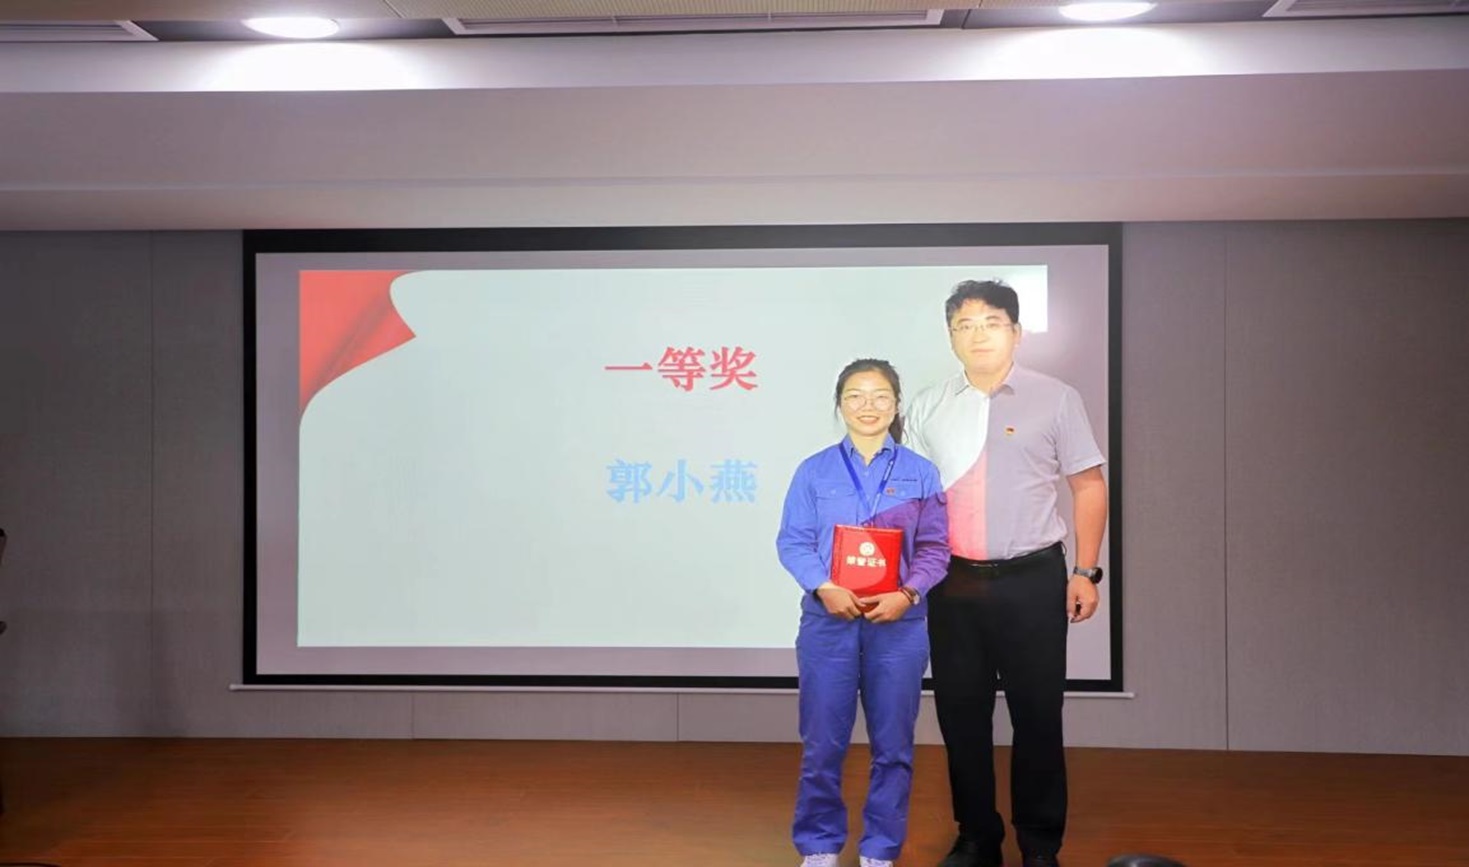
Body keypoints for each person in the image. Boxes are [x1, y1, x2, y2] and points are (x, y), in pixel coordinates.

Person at [904, 281, 1109, 867]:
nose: (978, 335)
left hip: (1031, 579)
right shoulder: (928, 405)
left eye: (991, 322)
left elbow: (1088, 485)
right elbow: (910, 498)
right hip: (952, 582)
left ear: (1016, 332)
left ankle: (1040, 845)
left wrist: (1086, 571)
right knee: (960, 716)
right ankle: (977, 836)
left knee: (1038, 715)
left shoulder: (1056, 398)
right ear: (950, 337)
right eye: (964, 325)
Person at [777, 359, 951, 867]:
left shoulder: (921, 472)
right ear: (840, 405)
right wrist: (824, 586)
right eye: (855, 395)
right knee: (822, 745)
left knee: (893, 746)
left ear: (896, 405)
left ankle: (880, 849)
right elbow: (793, 541)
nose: (867, 406)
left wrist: (908, 594)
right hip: (828, 622)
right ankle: (819, 844)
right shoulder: (814, 470)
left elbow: (936, 548)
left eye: (880, 396)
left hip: (898, 627)